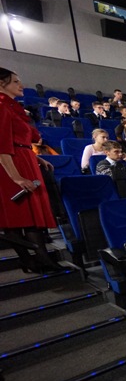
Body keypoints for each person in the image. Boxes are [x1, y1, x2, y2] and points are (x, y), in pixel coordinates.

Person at [0, 67, 63, 274]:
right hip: (11, 165)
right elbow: (2, 146)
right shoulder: (1, 106)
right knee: (18, 214)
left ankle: (37, 259)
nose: (21, 85)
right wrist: (16, 177)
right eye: (16, 82)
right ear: (2, 84)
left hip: (23, 158)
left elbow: (17, 139)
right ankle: (32, 259)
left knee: (30, 213)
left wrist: (35, 157)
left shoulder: (10, 107)